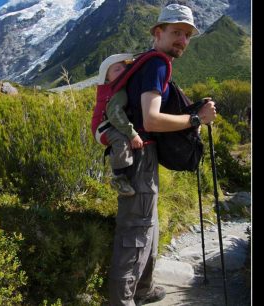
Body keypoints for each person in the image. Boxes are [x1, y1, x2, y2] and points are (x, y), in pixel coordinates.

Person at [108, 4, 217, 305]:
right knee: (136, 232)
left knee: (148, 224)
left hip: (142, 154)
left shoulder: (149, 61)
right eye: (176, 33)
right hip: (139, 157)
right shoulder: (157, 64)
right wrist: (197, 120)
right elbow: (151, 120)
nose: (182, 40)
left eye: (187, 35)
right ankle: (122, 300)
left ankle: (143, 289)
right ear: (158, 33)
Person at [97, 54, 144, 196]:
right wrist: (132, 134)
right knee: (121, 139)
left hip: (107, 125)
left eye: (124, 67)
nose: (122, 70)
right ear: (107, 77)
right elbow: (115, 115)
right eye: (117, 69)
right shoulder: (117, 92)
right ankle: (118, 177)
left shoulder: (119, 88)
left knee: (122, 137)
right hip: (103, 127)